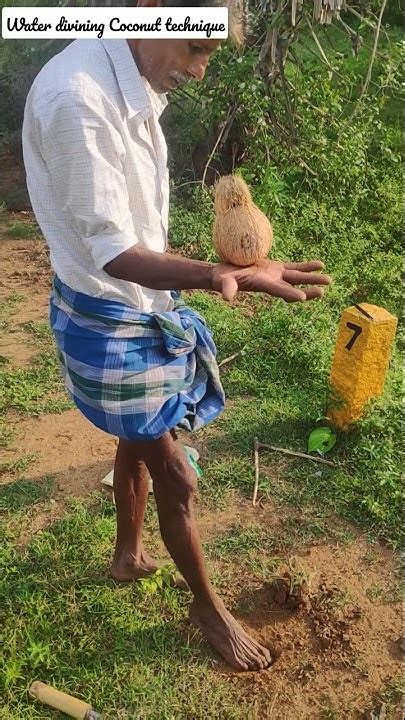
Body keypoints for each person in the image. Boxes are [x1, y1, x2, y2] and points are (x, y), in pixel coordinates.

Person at [22, 0, 331, 671]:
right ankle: (208, 609)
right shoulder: (79, 99)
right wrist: (222, 274)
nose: (197, 70)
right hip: (109, 315)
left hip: (130, 304)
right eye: (194, 49)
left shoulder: (120, 73)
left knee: (137, 438)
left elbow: (123, 227)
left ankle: (128, 554)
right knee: (176, 476)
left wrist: (216, 267)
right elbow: (112, 251)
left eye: (207, 54)